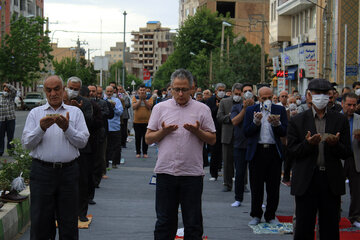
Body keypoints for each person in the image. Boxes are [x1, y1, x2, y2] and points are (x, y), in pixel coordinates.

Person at [145, 69, 216, 240]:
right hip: (166, 172)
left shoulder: (202, 109)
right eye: (176, 89)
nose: (180, 93)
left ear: (192, 88)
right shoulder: (160, 108)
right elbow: (148, 138)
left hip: (191, 174)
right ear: (170, 88)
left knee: (193, 223)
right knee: (164, 222)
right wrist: (163, 131)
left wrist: (197, 131)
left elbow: (212, 139)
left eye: (184, 89)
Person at [22, 75, 89, 240]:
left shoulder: (74, 112)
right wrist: (40, 129)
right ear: (44, 91)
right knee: (40, 222)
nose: (53, 93)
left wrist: (67, 128)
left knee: (68, 223)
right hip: (42, 173)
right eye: (49, 90)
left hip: (68, 173)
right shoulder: (35, 113)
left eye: (57, 88)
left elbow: (82, 142)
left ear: (63, 89)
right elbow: (27, 144)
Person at [287, 78, 351, 240]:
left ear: (330, 96)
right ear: (309, 95)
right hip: (306, 180)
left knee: (330, 227)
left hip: (330, 180)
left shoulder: (340, 120)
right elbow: (292, 151)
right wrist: (308, 144)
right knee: (304, 226)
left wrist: (335, 145)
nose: (321, 97)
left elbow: (346, 152)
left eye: (325, 94)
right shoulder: (297, 120)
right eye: (317, 93)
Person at [243, 87, 288, 225]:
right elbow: (246, 132)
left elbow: (284, 131)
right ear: (258, 98)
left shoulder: (279, 110)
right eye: (264, 98)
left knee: (273, 187)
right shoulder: (251, 110)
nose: (266, 100)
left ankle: (271, 215)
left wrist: (277, 124)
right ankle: (256, 214)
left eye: (269, 97)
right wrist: (255, 123)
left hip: (273, 151)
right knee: (256, 186)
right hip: (257, 151)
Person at [230, 83, 254, 207]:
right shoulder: (237, 107)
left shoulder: (258, 106)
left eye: (250, 91)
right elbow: (234, 121)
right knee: (239, 173)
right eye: (245, 91)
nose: (248, 93)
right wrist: (244, 109)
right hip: (240, 144)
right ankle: (238, 198)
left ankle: (257, 199)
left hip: (254, 144)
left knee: (256, 174)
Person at [217, 83, 242, 192]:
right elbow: (219, 117)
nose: (237, 95)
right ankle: (227, 184)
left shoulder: (245, 103)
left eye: (239, 94)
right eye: (235, 93)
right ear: (232, 93)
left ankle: (243, 183)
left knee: (241, 162)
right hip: (227, 135)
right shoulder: (224, 102)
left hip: (241, 136)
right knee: (227, 162)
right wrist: (230, 117)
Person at [88, 85, 113, 186]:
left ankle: (97, 178)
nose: (92, 93)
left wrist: (98, 114)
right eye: (90, 91)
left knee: (100, 156)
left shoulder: (103, 103)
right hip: (87, 134)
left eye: (94, 91)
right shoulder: (83, 103)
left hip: (100, 133)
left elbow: (108, 113)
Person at [341, 92, 360, 228]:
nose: (352, 108)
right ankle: (334, 214)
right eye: (349, 105)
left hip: (355, 158)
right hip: (339, 158)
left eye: (354, 105)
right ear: (342, 104)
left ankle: (355, 216)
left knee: (357, 190)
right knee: (335, 188)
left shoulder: (359, 119)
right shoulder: (335, 118)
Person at [206, 83, 226, 181]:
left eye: (223, 90)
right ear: (216, 91)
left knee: (226, 152)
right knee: (215, 151)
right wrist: (217, 107)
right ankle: (214, 174)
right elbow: (208, 113)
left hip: (226, 129)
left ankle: (229, 174)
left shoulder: (227, 99)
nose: (222, 92)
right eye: (220, 90)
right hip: (214, 128)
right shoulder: (210, 100)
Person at [104, 86, 123, 168]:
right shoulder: (103, 101)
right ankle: (106, 163)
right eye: (107, 91)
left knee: (116, 146)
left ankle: (115, 163)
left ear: (113, 92)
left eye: (110, 91)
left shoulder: (117, 101)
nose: (109, 93)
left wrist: (114, 107)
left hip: (115, 127)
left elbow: (120, 112)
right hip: (105, 126)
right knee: (106, 146)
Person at [132, 84, 153, 158]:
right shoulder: (135, 97)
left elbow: (150, 107)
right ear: (138, 91)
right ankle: (138, 152)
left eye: (144, 90)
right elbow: (134, 107)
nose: (142, 91)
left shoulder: (150, 97)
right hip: (137, 121)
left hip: (147, 122)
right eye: (141, 90)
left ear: (146, 91)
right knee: (137, 138)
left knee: (145, 138)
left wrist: (144, 99)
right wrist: (140, 99)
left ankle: (145, 152)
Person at [0, 83, 17, 156]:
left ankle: (11, 151)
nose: (6, 90)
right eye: (5, 88)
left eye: (7, 89)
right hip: (1, 120)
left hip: (11, 119)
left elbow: (14, 90)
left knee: (10, 136)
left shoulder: (11, 97)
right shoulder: (0, 97)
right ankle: (0, 151)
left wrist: (7, 85)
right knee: (0, 136)